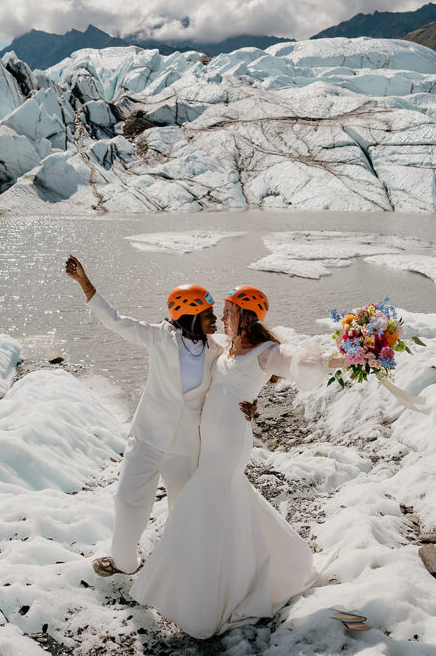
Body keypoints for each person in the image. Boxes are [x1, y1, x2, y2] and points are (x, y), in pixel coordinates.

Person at [130, 285, 334, 638]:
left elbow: (295, 359)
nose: (221, 317)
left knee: (204, 506)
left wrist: (354, 356)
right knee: (230, 505)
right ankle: (258, 569)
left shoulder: (267, 351)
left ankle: (205, 596)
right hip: (210, 441)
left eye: (228, 312)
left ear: (247, 316)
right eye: (222, 312)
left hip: (227, 445)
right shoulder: (229, 347)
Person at [64, 255, 255, 576]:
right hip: (148, 438)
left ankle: (179, 572)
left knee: (184, 510)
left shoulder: (217, 353)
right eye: (207, 313)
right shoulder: (158, 337)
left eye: (213, 313)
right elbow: (115, 320)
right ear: (189, 314)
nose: (213, 319)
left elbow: (235, 385)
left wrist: (251, 404)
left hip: (186, 448)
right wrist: (85, 284)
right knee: (128, 502)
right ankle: (125, 562)